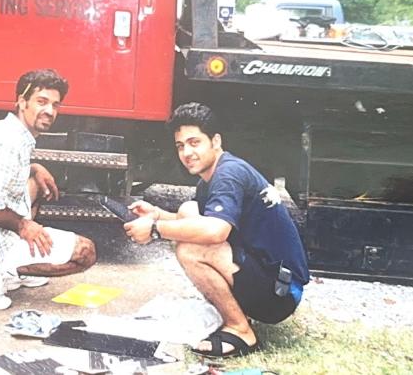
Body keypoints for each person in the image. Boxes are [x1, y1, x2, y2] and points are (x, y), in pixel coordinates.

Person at [124, 102, 309, 358]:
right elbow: (192, 220)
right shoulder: (213, 176)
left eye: (194, 142)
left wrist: (155, 230)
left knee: (190, 250)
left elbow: (215, 232)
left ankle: (240, 330)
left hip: (281, 294)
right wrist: (157, 213)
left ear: (216, 141)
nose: (187, 152)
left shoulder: (228, 175)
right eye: (180, 146)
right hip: (272, 278)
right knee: (189, 210)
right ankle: (237, 314)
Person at [0, 68, 96, 310]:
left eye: (55, 105)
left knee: (36, 186)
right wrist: (23, 226)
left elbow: (5, 177)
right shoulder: (8, 142)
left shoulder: (9, 130)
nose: (49, 111)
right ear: (21, 101)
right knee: (86, 252)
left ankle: (13, 270)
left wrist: (35, 168)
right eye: (41, 102)